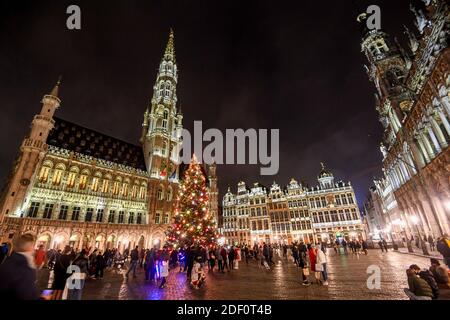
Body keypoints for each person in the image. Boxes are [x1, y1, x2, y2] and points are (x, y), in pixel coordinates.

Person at [0, 234, 38, 300]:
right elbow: (26, 294)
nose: (33, 249)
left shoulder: (10, 260)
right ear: (29, 246)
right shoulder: (24, 265)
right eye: (33, 246)